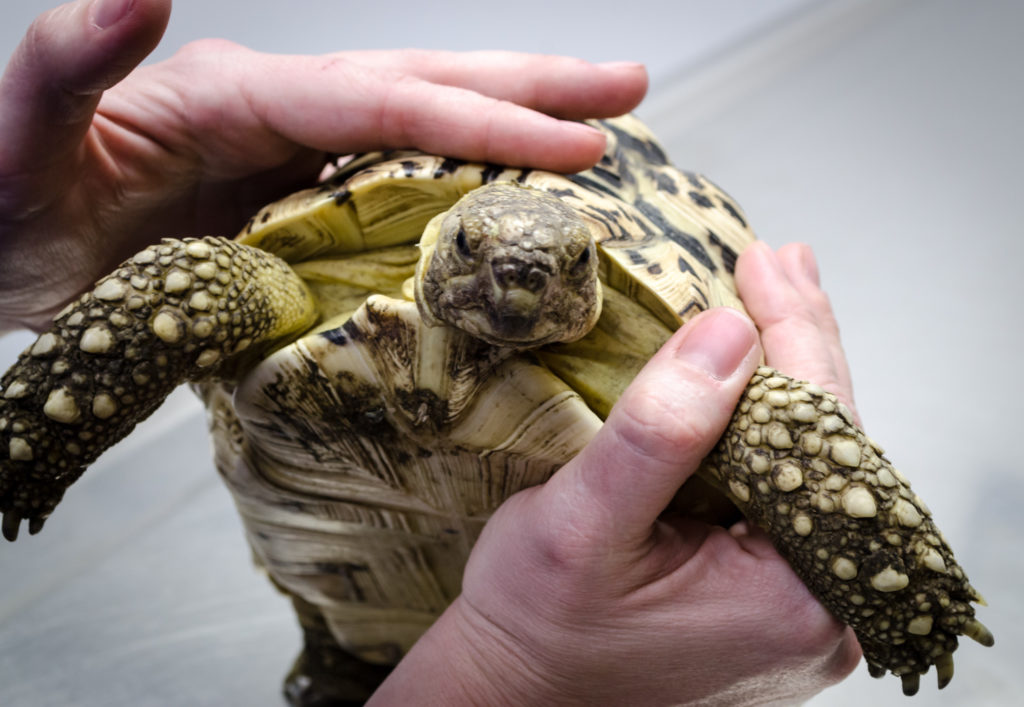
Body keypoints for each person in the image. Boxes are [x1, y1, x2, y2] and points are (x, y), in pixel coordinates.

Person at [0, 0, 862, 704]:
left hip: (517, 590)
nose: (514, 288)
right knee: (189, 283)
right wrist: (507, 675)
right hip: (347, 576)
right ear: (436, 245)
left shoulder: (654, 358)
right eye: (473, 258)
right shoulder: (291, 283)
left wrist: (874, 572)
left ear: (589, 272)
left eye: (559, 271)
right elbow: (186, 281)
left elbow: (769, 421)